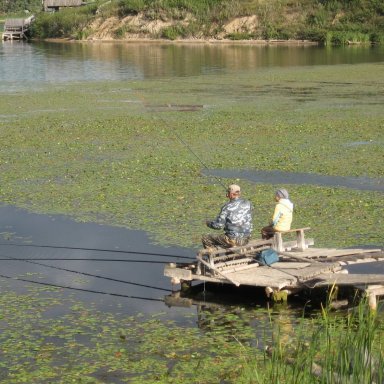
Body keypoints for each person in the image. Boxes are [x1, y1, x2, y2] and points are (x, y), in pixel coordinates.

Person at [202, 184, 253, 249]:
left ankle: (214, 257)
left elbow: (218, 226)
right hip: (246, 239)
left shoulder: (226, 207)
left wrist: (208, 223)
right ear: (239, 193)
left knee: (206, 238)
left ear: (230, 194)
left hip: (233, 240)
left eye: (228, 192)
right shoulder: (248, 203)